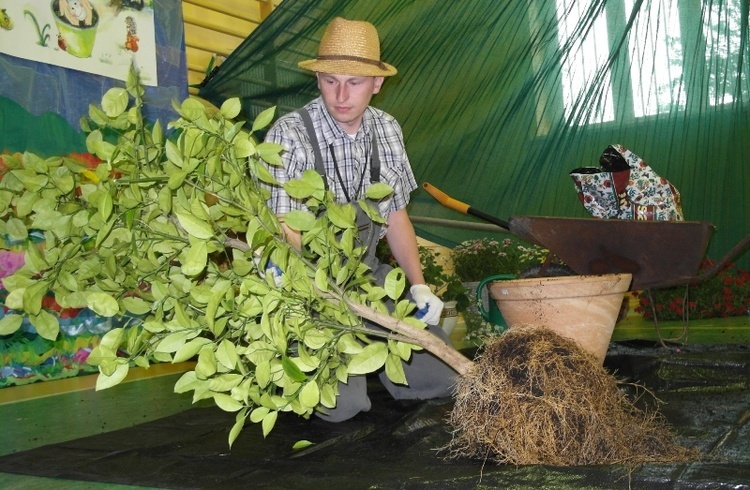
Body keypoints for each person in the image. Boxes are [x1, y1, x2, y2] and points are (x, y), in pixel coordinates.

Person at [262, 17, 457, 422]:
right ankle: (301, 360)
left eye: (354, 82)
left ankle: (370, 348)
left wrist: (419, 286)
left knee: (442, 379)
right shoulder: (289, 135)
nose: (341, 95)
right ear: (318, 79)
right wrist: (326, 300)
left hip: (366, 276)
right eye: (331, 80)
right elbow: (287, 231)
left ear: (377, 84)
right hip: (311, 283)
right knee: (341, 408)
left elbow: (396, 216)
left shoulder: (386, 130)